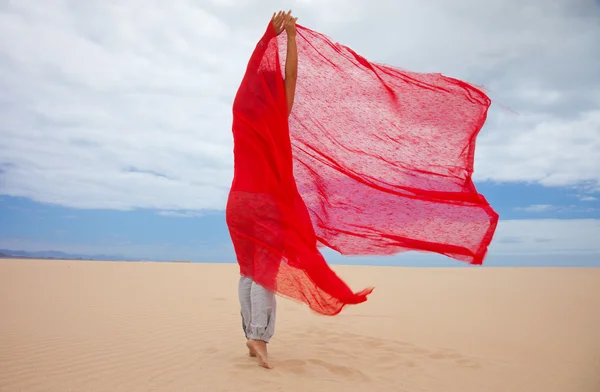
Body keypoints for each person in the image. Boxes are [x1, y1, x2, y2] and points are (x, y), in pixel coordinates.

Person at [236, 10, 298, 370]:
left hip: (238, 203)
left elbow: (252, 75)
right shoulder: (277, 117)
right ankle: (258, 336)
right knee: (264, 272)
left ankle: (249, 334)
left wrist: (267, 39)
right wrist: (289, 36)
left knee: (247, 270)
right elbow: (291, 76)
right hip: (266, 200)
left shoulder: (242, 112)